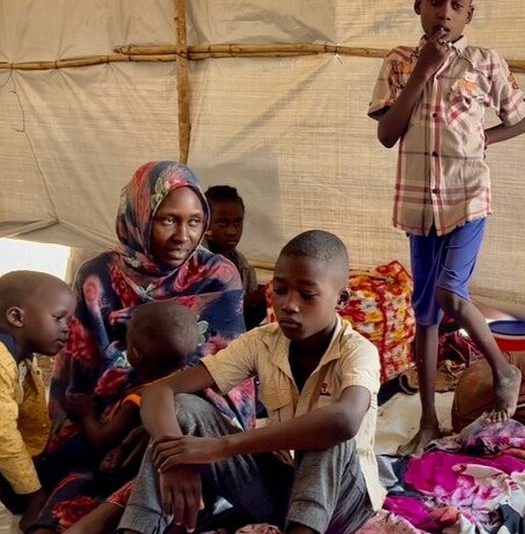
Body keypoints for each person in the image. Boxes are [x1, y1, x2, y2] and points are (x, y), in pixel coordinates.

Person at [32, 160, 256, 534]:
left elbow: (228, 372)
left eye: (195, 221)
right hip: (107, 428)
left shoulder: (218, 276)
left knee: (175, 443)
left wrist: (159, 419)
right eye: (168, 220)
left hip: (187, 424)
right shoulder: (98, 277)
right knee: (75, 483)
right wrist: (121, 413)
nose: (183, 236)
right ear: (139, 215)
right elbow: (79, 378)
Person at [117, 230, 384, 534]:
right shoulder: (262, 341)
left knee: (325, 429)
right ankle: (137, 530)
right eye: (280, 290)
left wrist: (221, 446)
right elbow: (160, 390)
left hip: (344, 505)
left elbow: (345, 421)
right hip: (284, 492)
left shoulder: (358, 351)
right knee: (184, 409)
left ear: (342, 299)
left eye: (307, 294)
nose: (289, 305)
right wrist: (175, 459)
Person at [368, 0, 525, 455]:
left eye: (457, 6)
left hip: (468, 199)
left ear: (469, 15)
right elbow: (387, 133)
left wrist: (486, 138)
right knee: (424, 314)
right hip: (420, 205)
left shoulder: (484, 62)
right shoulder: (400, 61)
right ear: (418, 5)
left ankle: (505, 370)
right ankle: (426, 421)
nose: (445, 13)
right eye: (436, 0)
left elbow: (524, 118)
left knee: (449, 293)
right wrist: (422, 72)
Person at [58, 301, 198, 534]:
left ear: (134, 354)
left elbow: (102, 438)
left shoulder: (140, 397)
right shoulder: (187, 384)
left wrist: (86, 415)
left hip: (128, 474)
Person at [0, 271, 74, 530]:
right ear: (16, 317)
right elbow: (2, 435)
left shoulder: (21, 356)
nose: (67, 327)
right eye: (58, 318)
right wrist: (34, 494)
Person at [204, 185, 266, 330]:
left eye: (237, 223)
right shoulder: (196, 263)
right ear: (204, 222)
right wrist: (244, 301)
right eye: (222, 223)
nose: (232, 231)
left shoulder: (242, 265)